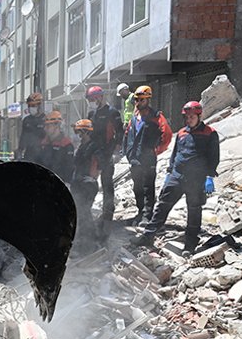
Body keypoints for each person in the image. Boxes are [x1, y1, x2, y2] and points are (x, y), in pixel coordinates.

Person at [134, 101, 220, 255]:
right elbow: (175, 154)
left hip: (196, 179)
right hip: (177, 176)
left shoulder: (210, 133)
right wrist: (169, 173)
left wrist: (209, 177)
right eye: (186, 117)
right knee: (162, 207)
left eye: (192, 117)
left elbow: (213, 157)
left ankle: (190, 245)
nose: (189, 120)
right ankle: (148, 236)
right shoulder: (181, 133)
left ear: (199, 116)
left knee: (194, 211)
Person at [122, 85, 172, 226]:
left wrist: (156, 151)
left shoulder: (156, 117)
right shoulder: (134, 117)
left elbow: (167, 135)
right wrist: (127, 152)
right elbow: (127, 135)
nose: (138, 102)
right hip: (134, 159)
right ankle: (140, 212)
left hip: (148, 159)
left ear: (148, 100)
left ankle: (147, 216)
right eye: (137, 100)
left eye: (142, 100)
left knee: (147, 188)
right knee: (137, 187)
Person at [86, 86, 124, 225]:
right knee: (90, 183)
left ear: (100, 97)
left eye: (92, 99)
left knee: (107, 184)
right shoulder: (92, 114)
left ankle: (108, 215)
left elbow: (120, 132)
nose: (91, 101)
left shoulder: (112, 112)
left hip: (107, 153)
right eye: (89, 99)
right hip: (93, 153)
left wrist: (116, 149)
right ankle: (87, 213)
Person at [70, 119, 101, 249]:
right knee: (80, 213)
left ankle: (91, 243)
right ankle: (85, 242)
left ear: (85, 132)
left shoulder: (93, 147)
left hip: (87, 185)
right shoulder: (82, 146)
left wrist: (93, 177)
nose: (78, 135)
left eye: (79, 132)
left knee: (84, 213)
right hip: (78, 184)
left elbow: (98, 164)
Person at [36, 111, 74, 182]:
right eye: (45, 125)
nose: (45, 128)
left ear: (57, 125)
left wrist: (67, 183)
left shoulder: (66, 145)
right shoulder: (44, 143)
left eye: (48, 126)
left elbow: (69, 168)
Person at [18, 92, 47, 163]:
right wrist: (20, 150)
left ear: (39, 106)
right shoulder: (26, 120)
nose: (31, 108)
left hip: (43, 154)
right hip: (29, 154)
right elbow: (23, 137)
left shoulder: (46, 120)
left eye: (33, 105)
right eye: (29, 106)